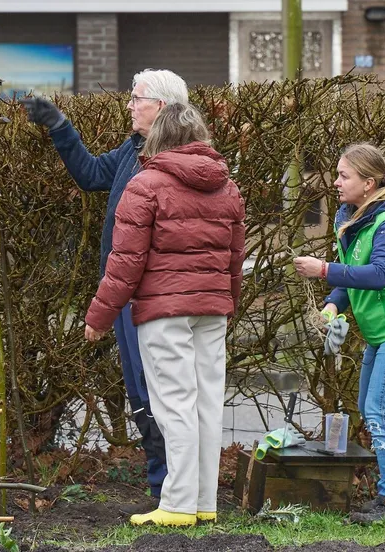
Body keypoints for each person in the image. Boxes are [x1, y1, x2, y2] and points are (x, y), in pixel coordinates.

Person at [22, 69, 189, 513]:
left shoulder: (175, 161)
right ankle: (162, 489)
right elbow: (92, 174)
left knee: (160, 393)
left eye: (137, 99)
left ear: (162, 107)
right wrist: (60, 126)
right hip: (126, 295)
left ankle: (176, 489)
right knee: (140, 393)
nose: (129, 106)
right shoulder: (134, 151)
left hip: (157, 297)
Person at [84, 103, 246, 527]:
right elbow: (235, 257)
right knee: (207, 405)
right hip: (212, 309)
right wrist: (228, 300)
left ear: (159, 136)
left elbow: (125, 262)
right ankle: (203, 501)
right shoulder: (227, 187)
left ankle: (176, 505)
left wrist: (99, 316)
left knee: (174, 405)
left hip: (164, 310)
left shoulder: (145, 185)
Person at [293, 143, 385, 524]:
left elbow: (380, 274)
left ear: (369, 183)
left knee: (380, 412)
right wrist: (332, 305)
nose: (336, 182)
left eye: (344, 176)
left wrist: (323, 269)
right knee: (371, 407)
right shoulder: (356, 217)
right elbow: (352, 272)